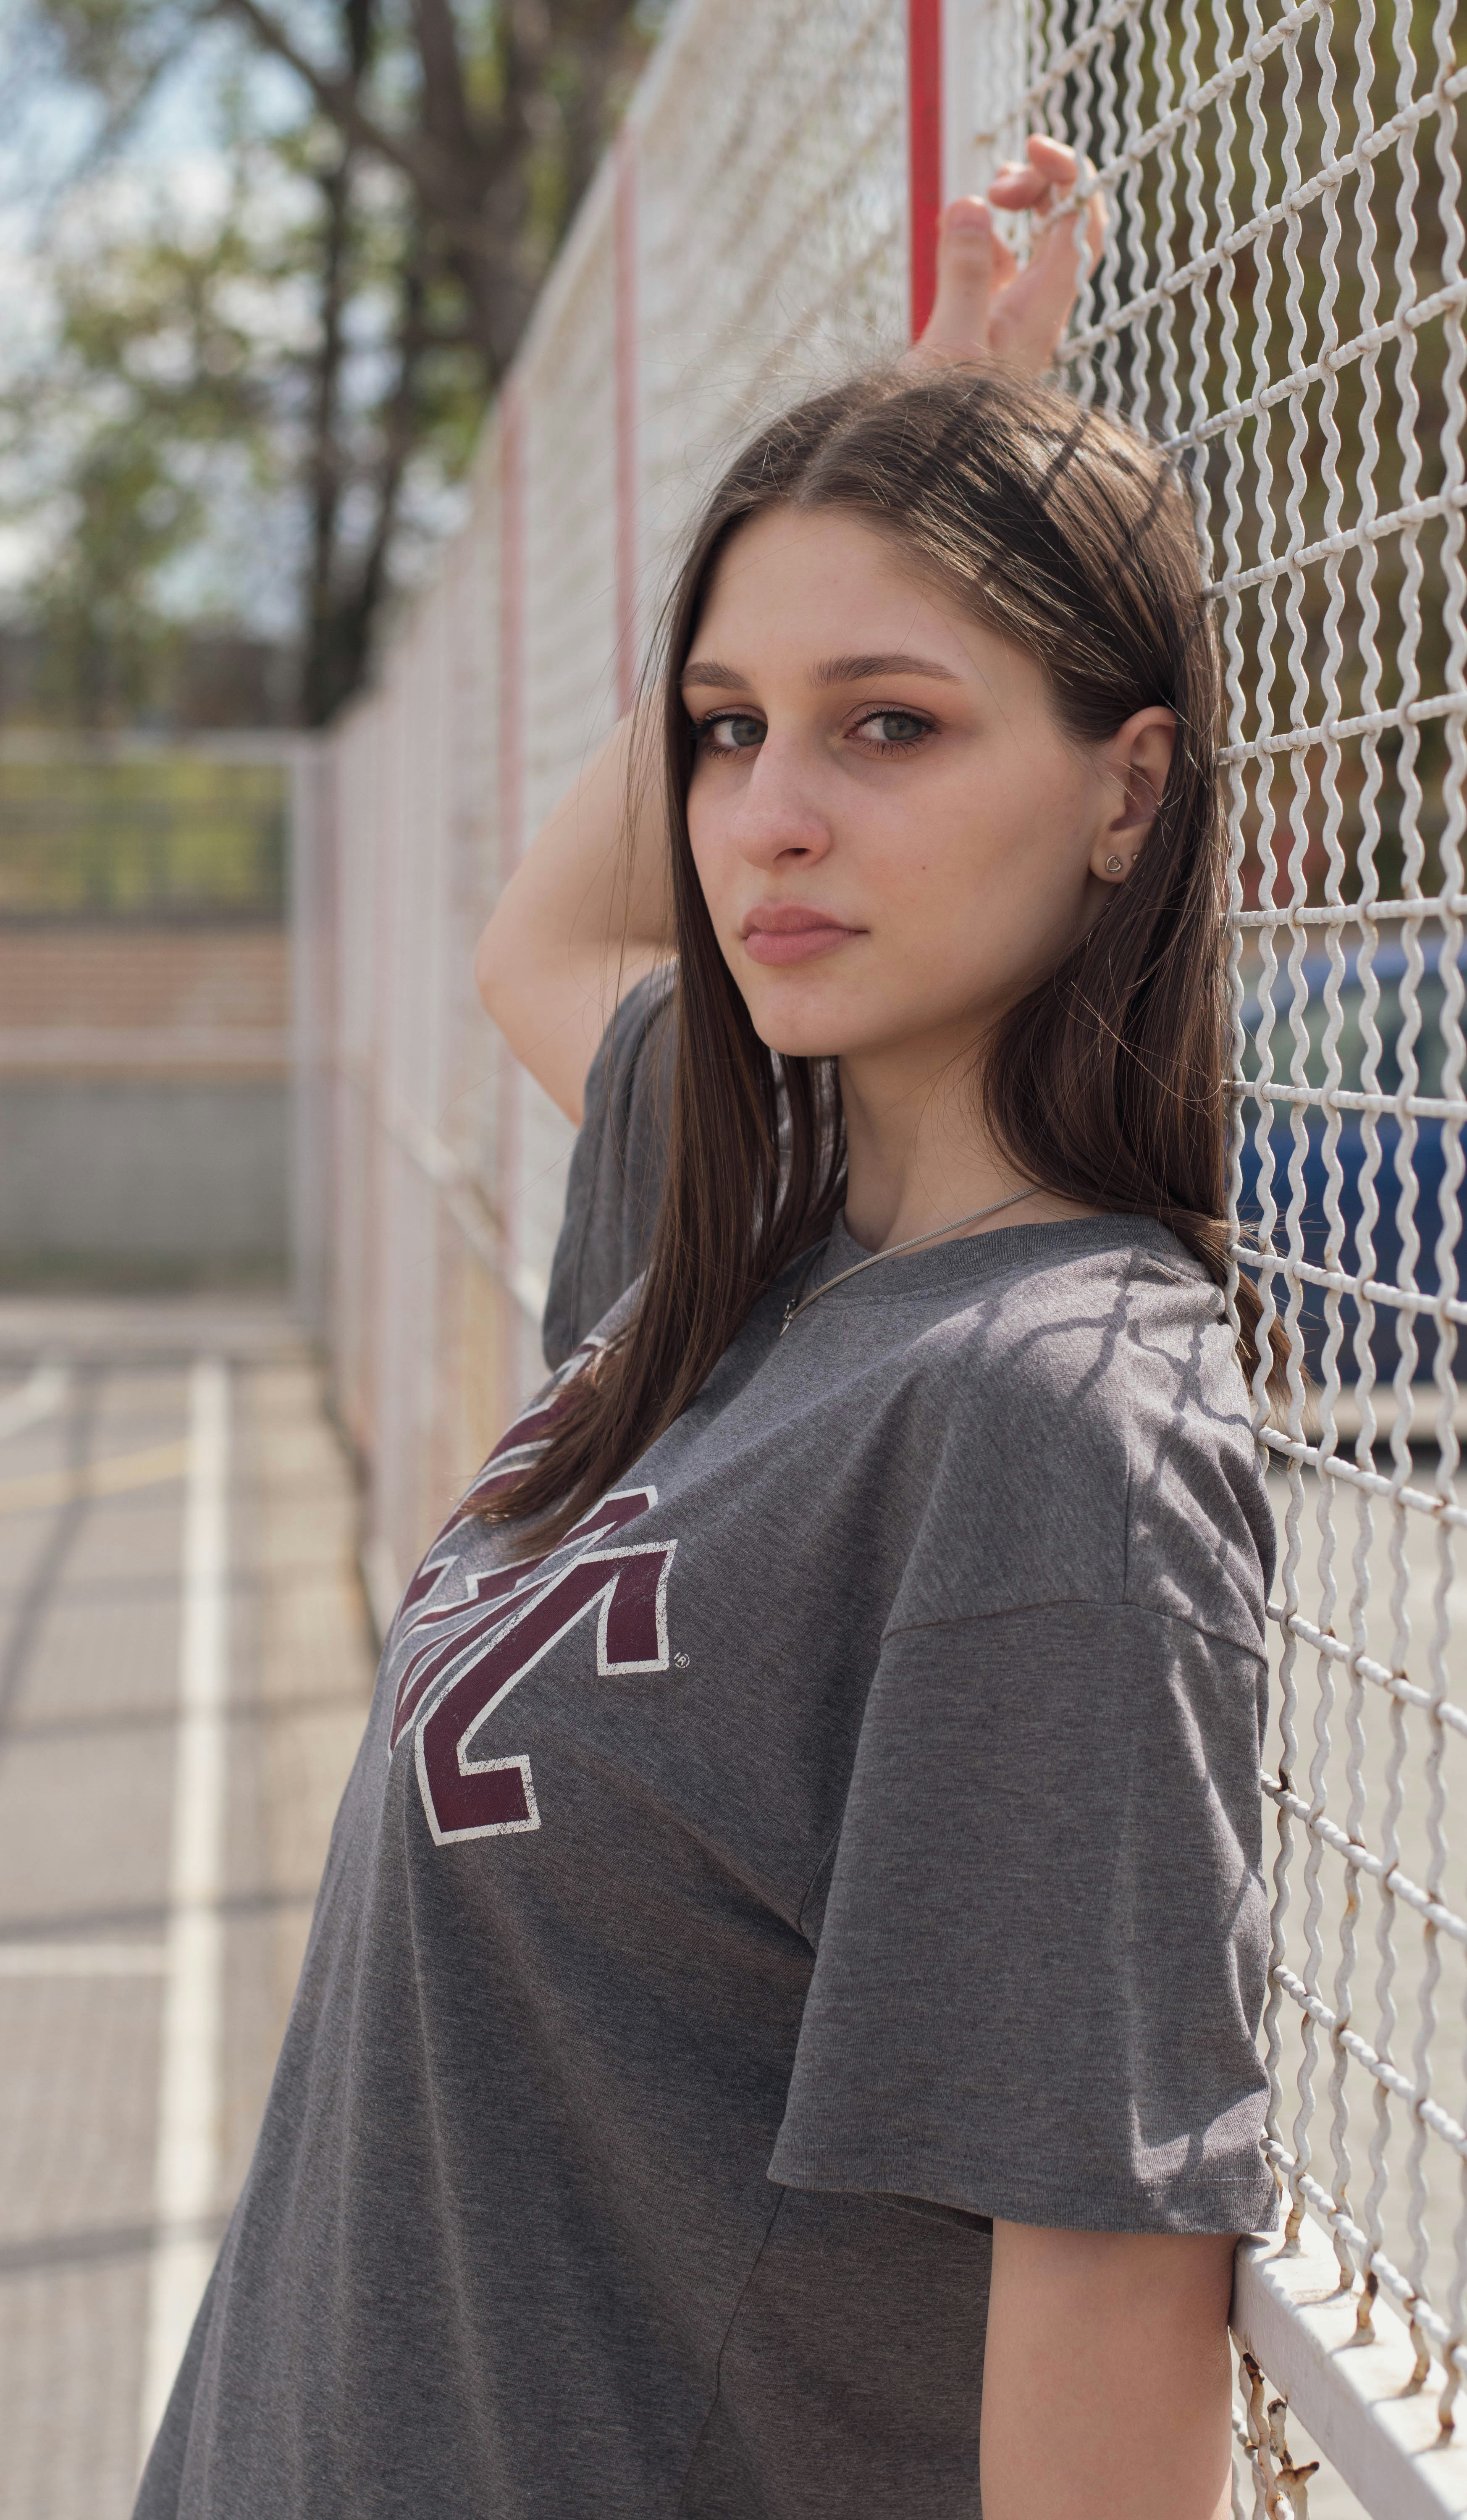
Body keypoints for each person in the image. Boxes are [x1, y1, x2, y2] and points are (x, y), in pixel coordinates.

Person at [136, 141, 1279, 2520]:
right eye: (726, 729)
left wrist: (909, 513)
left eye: (892, 728)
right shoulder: (739, 1218)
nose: (762, 818)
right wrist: (932, 422)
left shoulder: (1047, 1412)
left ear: (1123, 791)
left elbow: (1103, 2296)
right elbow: (536, 947)